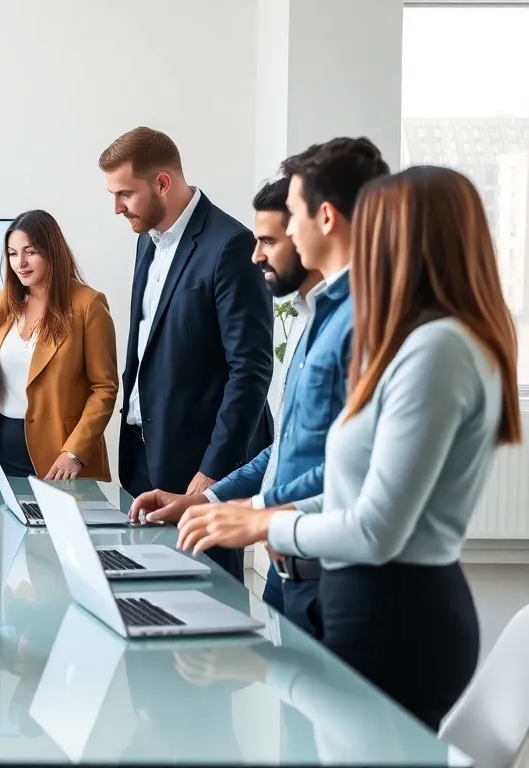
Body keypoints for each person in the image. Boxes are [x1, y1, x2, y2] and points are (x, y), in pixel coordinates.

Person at [177, 165, 520, 730]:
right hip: (367, 599)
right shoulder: (415, 341)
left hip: (396, 612)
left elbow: (374, 525)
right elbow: (348, 488)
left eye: (373, 230)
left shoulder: (438, 349)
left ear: (406, 238)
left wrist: (263, 526)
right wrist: (252, 510)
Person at [130, 138, 391, 632]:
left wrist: (256, 514)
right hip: (288, 569)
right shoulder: (317, 316)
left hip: (335, 577)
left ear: (326, 218)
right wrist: (208, 501)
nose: (259, 253)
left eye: (285, 223)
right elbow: (289, 448)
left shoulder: (370, 325)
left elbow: (351, 472)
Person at [100, 126, 274, 582]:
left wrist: (213, 473)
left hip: (198, 464)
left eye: (125, 194)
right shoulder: (145, 239)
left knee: (207, 595)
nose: (117, 207)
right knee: (145, 592)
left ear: (162, 182)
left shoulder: (230, 245)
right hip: (140, 455)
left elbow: (250, 369)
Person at [0, 210, 119, 480]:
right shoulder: (0, 302)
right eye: (12, 253)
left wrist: (74, 452)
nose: (20, 263)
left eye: (30, 252)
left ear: (51, 251)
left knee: (61, 523)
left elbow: (104, 388)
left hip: (61, 455)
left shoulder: (88, 305)